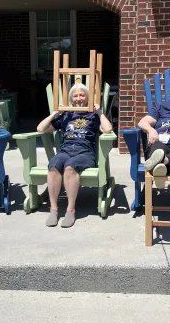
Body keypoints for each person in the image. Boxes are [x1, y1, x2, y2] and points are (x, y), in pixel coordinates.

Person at [37, 83, 113, 228]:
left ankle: (70, 210)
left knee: (70, 167)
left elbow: (108, 129)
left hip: (85, 153)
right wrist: (55, 113)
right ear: (71, 98)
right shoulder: (66, 115)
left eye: (82, 95)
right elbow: (41, 128)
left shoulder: (93, 115)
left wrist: (99, 113)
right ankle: (53, 210)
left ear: (87, 98)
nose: (79, 98)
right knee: (54, 166)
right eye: (75, 95)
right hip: (65, 151)